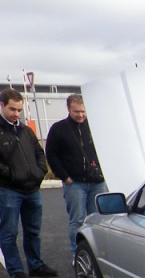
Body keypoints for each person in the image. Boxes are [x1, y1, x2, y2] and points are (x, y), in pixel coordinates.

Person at [0, 88, 57, 278]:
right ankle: (16, 270)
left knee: (33, 231)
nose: (16, 114)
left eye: (19, 110)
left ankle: (36, 265)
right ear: (2, 106)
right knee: (9, 232)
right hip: (9, 191)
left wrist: (40, 172)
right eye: (12, 109)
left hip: (32, 190)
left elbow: (39, 154)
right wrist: (13, 175)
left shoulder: (26, 131)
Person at [45, 94, 108, 258]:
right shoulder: (58, 129)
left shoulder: (95, 127)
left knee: (98, 221)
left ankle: (96, 255)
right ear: (68, 109)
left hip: (98, 183)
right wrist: (65, 177)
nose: (80, 115)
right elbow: (51, 155)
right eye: (76, 111)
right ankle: (78, 255)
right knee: (78, 221)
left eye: (83, 111)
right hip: (75, 183)